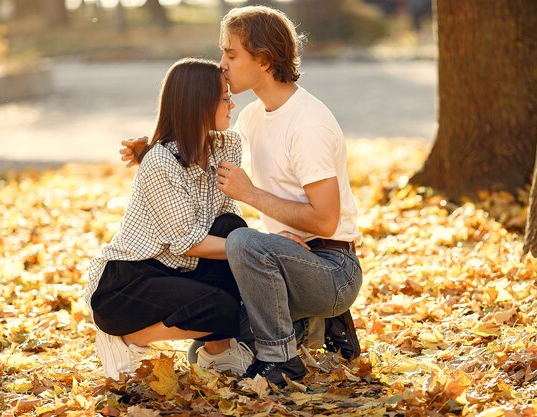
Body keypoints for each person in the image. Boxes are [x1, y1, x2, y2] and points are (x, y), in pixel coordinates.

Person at [121, 6, 363, 387]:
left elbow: (324, 221)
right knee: (208, 341)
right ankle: (310, 323)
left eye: (231, 55)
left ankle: (283, 360)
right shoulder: (252, 116)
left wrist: (251, 194)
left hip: (331, 267)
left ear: (264, 60)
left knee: (242, 240)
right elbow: (196, 148)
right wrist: (152, 149)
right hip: (282, 261)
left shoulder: (308, 125)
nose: (222, 65)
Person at [83, 58, 254, 381]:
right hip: (129, 283)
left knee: (233, 227)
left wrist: (249, 242)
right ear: (198, 103)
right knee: (223, 307)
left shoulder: (228, 145)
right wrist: (261, 246)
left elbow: (226, 214)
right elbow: (187, 242)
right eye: (223, 97)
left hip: (180, 270)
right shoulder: (160, 162)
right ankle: (127, 338)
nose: (232, 103)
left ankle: (218, 353)